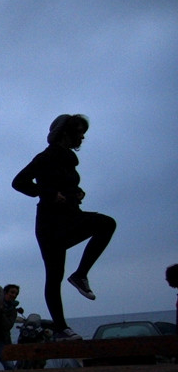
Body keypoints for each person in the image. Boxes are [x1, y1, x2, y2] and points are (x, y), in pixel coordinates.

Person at [12, 114, 116, 341]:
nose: (82, 137)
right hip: (50, 224)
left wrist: (76, 194)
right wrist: (48, 194)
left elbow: (64, 186)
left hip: (70, 218)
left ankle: (80, 275)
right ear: (65, 133)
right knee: (54, 275)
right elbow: (19, 182)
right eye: (79, 132)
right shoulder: (46, 157)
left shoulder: (68, 161)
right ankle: (61, 328)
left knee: (106, 224)